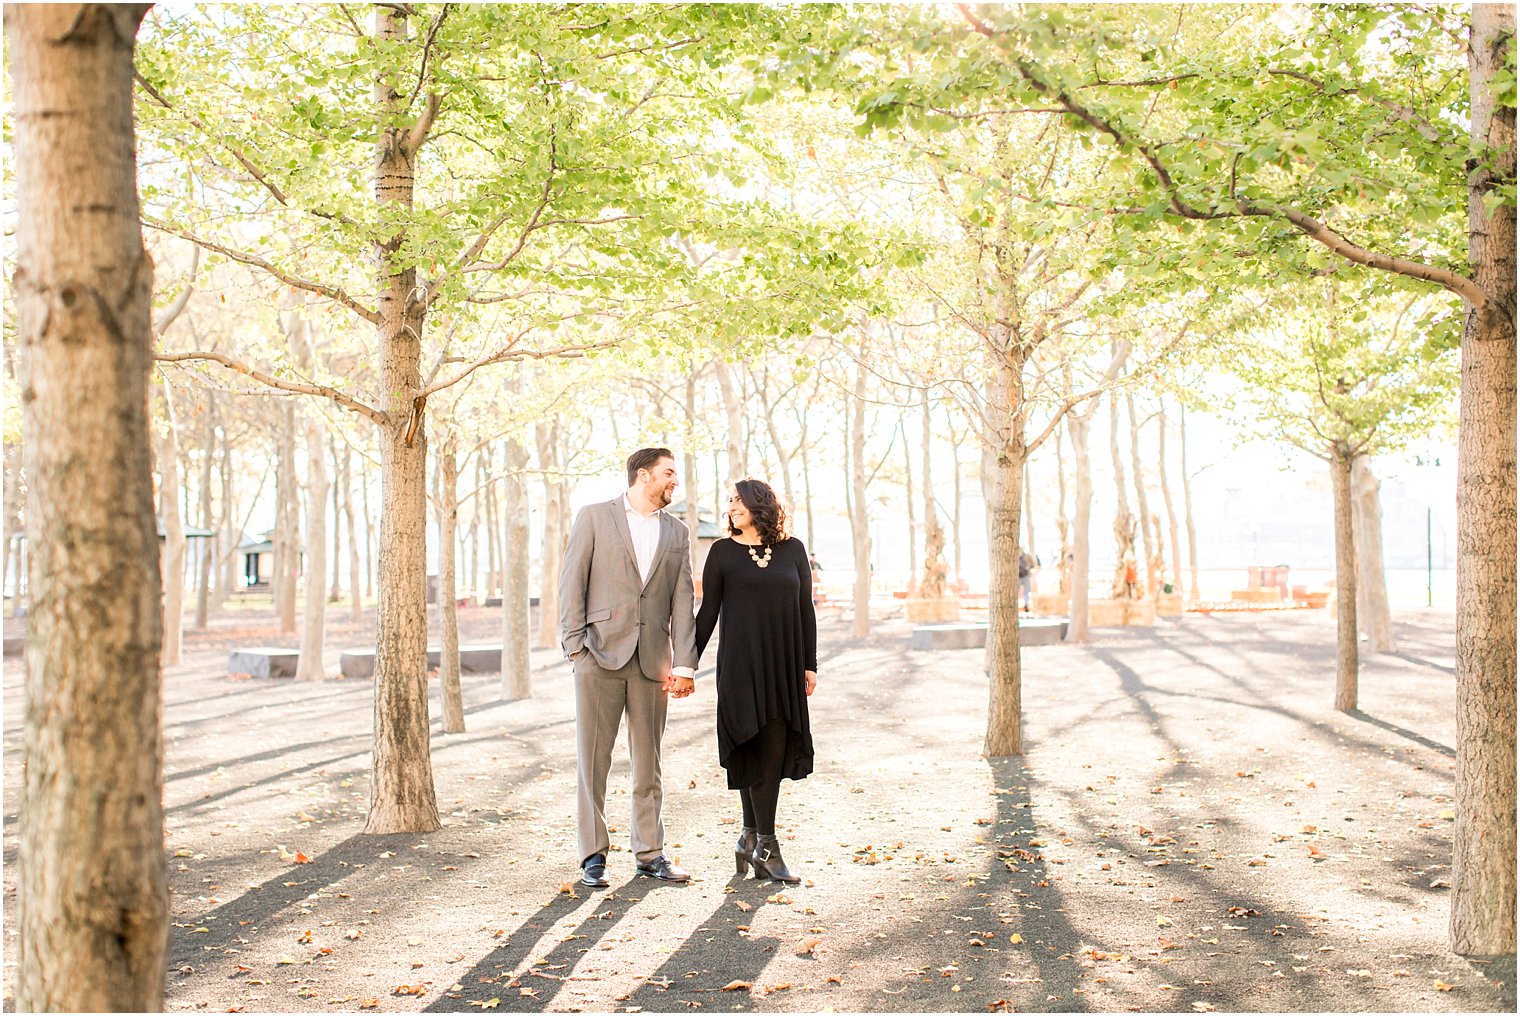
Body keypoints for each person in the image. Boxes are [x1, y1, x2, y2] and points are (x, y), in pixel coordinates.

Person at [559, 448, 698, 888]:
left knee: (648, 762)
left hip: (652, 664)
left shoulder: (677, 532)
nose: (675, 481)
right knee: (593, 761)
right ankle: (593, 857)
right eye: (669, 473)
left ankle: (650, 853)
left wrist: (685, 666)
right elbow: (571, 584)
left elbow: (682, 602)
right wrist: (575, 649)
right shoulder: (594, 517)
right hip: (597, 657)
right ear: (643, 475)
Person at [695, 479, 817, 884]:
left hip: (783, 667)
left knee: (772, 749)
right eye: (728, 500)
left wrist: (809, 664)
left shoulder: (794, 550)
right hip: (740, 668)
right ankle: (766, 845)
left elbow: (806, 610)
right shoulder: (722, 553)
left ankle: (752, 840)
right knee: (750, 745)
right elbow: (707, 614)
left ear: (758, 504)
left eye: (737, 500)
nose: (731, 506)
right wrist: (685, 664)